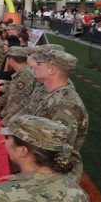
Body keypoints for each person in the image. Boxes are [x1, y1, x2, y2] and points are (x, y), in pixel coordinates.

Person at [29, 49, 88, 183]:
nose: (34, 65)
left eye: (39, 63)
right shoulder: (52, 93)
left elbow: (59, 153)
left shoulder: (65, 106)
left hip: (51, 177)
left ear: (52, 70)